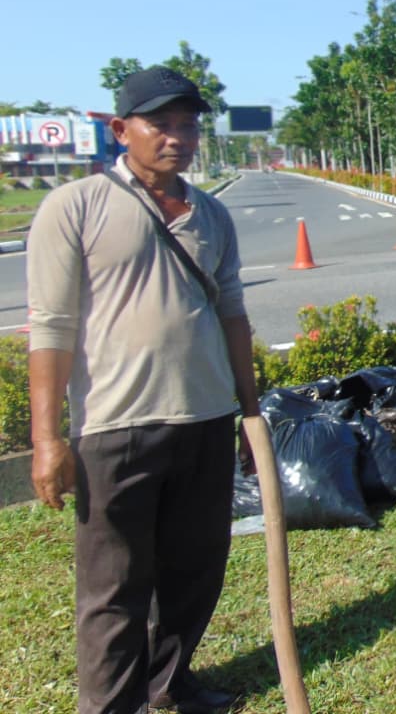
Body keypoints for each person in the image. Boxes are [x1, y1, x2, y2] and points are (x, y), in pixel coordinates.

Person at [27, 66, 260, 714]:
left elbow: (232, 314)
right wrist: (47, 439)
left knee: (196, 569)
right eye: (160, 123)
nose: (177, 137)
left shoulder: (212, 214)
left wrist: (250, 413)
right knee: (114, 586)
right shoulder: (75, 207)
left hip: (205, 419)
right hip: (116, 427)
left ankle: (168, 684)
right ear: (119, 129)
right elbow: (51, 327)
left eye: (188, 125)